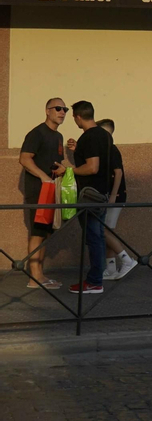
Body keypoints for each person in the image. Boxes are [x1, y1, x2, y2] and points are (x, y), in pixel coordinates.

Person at [18, 98, 68, 289]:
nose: (62, 112)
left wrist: (63, 170)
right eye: (58, 108)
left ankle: (40, 275)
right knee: (37, 233)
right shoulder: (37, 133)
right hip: (38, 191)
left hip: (52, 190)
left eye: (65, 109)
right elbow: (24, 159)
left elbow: (57, 162)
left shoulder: (58, 136)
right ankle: (34, 278)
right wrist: (43, 177)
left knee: (45, 233)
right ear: (47, 111)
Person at [65, 100, 113, 295]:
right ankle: (97, 278)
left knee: (93, 237)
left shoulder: (89, 137)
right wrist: (78, 150)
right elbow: (99, 162)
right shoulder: (104, 135)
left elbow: (92, 167)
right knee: (98, 236)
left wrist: (70, 170)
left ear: (77, 117)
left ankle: (94, 281)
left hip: (89, 197)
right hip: (102, 193)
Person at [97, 119, 135, 282]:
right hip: (111, 196)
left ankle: (127, 260)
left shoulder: (111, 150)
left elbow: (118, 173)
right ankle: (111, 269)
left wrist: (113, 196)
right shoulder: (104, 150)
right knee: (107, 231)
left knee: (103, 230)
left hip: (115, 196)